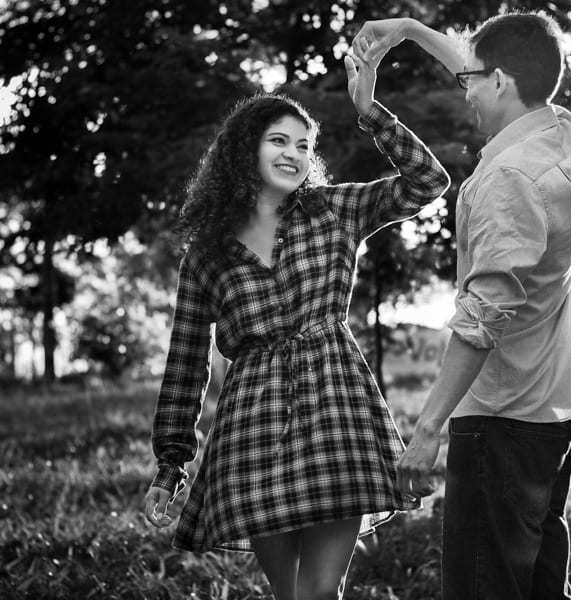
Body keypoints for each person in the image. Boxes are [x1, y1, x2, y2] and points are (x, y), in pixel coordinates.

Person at [143, 38, 450, 600]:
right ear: (244, 150)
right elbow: (186, 362)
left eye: (304, 146)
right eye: (278, 141)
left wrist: (370, 113)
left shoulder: (334, 210)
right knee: (292, 596)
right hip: (252, 425)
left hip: (334, 407)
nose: (293, 153)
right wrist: (171, 463)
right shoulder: (207, 253)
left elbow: (428, 183)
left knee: (318, 592)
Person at [354, 12, 571, 600]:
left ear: (503, 82)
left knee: (483, 587)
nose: (466, 91)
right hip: (552, 415)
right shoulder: (564, 133)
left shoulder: (507, 178)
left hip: (498, 422)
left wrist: (429, 430)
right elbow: (478, 57)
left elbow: (483, 316)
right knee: (536, 586)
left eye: (473, 82)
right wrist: (409, 28)